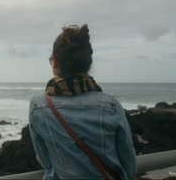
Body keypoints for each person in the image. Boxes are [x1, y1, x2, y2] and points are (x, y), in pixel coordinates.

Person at [29, 24, 137, 180]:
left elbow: (45, 160)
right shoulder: (110, 105)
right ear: (88, 64)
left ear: (54, 62)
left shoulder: (38, 105)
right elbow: (129, 166)